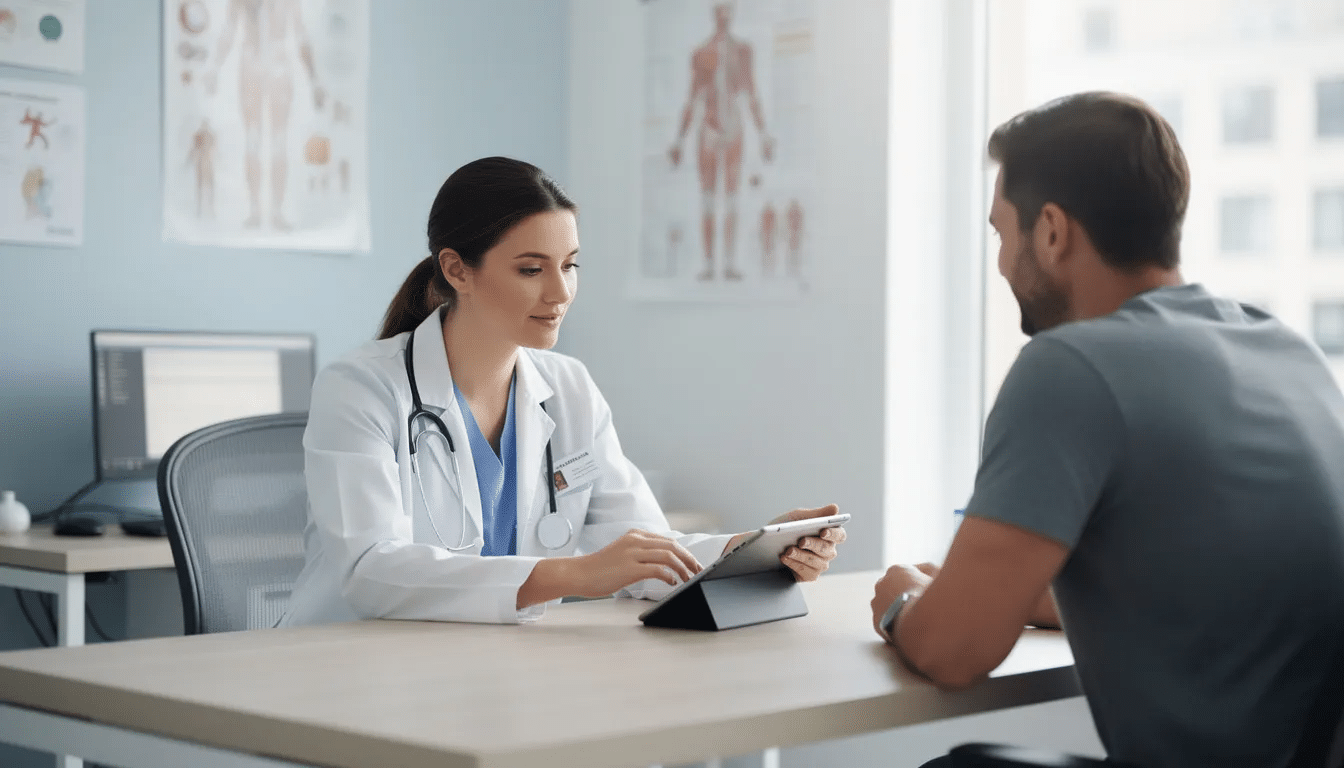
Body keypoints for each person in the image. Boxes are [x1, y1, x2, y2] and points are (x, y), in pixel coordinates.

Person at [870, 92, 1344, 767]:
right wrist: (1015, 596)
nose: (1000, 263)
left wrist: (903, 606)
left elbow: (953, 651)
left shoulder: (1070, 368)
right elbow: (1210, 591)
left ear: (1052, 231)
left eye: (1001, 234)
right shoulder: (1288, 352)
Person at [282, 157, 846, 626]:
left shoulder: (568, 387)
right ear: (457, 270)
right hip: (347, 669)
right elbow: (372, 571)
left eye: (570, 266)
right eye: (531, 270)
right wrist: (573, 574)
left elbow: (643, 548)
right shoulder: (361, 388)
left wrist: (752, 550)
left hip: (482, 667)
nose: (560, 292)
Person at [668, 0, 774, 282]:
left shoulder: (743, 51)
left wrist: (763, 134)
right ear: (714, 13)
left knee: (732, 197)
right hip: (709, 129)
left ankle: (728, 263)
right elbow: (693, 98)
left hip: (734, 127)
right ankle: (708, 263)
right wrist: (679, 140)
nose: (724, 15)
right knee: (707, 198)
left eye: (729, 9)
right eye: (720, 9)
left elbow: (751, 93)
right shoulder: (702, 53)